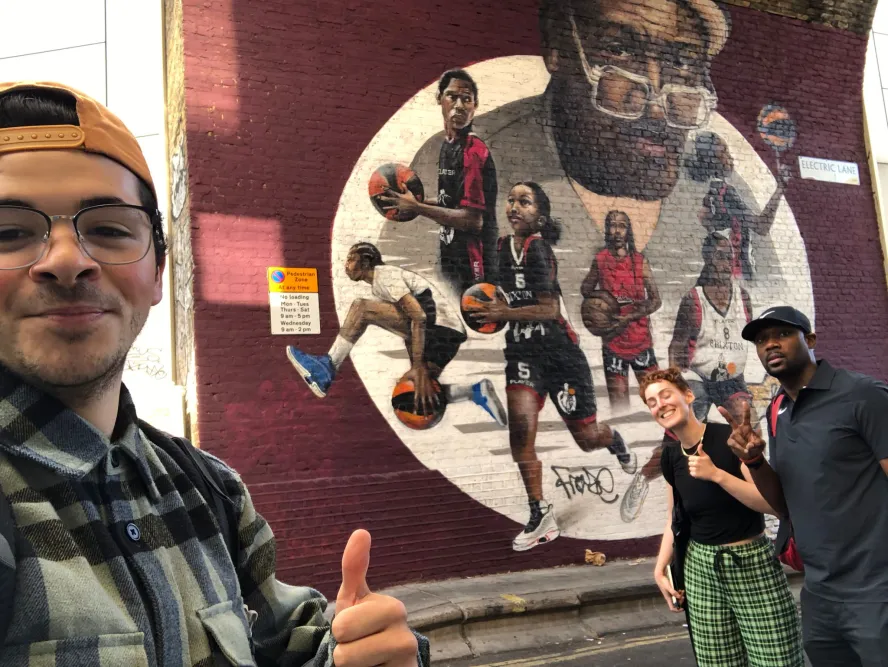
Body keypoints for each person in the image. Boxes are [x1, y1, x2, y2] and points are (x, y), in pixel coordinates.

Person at [0, 81, 429, 666]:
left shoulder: (211, 489)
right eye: (9, 232)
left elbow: (291, 643)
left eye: (107, 228)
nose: (68, 260)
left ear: (158, 272)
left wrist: (361, 653)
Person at [465, 182, 635, 551]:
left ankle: (615, 441)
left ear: (539, 216)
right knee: (521, 437)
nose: (513, 206)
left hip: (560, 358)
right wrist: (481, 307)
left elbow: (550, 309)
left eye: (524, 202)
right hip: (522, 356)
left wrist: (504, 312)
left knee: (587, 440)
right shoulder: (499, 249)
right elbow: (492, 295)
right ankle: (540, 513)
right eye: (510, 200)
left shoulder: (538, 250)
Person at [726, 306, 888, 665]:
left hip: (877, 590)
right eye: (761, 340)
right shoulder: (776, 410)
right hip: (819, 593)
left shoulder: (864, 395)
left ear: (810, 339)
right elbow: (784, 503)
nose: (770, 345)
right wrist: (753, 461)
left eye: (782, 334)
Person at [642, 368, 803, 667]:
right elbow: (673, 519)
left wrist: (716, 475)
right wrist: (659, 568)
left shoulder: (729, 439)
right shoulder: (670, 456)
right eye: (652, 402)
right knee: (718, 663)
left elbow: (770, 504)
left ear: (688, 395)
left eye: (666, 395)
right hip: (700, 570)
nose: (660, 404)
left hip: (751, 563)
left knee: (778, 660)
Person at [287, 242, 506, 425]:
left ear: (365, 261)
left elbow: (418, 316)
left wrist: (418, 365)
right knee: (413, 395)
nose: (345, 265)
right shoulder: (383, 282)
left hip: (438, 328)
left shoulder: (385, 275)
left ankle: (328, 366)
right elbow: (413, 323)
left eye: (350, 259)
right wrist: (418, 368)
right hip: (447, 335)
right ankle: (474, 392)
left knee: (362, 308)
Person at [621, 230, 755, 522]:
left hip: (731, 378)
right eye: (719, 256)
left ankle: (750, 492)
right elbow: (677, 348)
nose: (724, 262)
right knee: (676, 439)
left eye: (728, 256)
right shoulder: (693, 300)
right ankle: (643, 478)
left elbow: (749, 337)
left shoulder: (742, 297)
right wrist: (679, 390)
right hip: (697, 375)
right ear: (706, 257)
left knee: (746, 427)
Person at [379, 69, 498, 295]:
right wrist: (416, 202)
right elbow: (451, 202)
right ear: (439, 99)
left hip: (476, 265)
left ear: (475, 105)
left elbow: (473, 221)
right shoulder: (448, 146)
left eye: (467, 99)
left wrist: (417, 207)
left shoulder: (473, 151)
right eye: (453, 96)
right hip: (452, 253)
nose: (460, 105)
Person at [581, 210, 661, 410]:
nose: (616, 231)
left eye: (622, 226)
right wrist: (601, 306)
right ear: (607, 230)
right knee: (619, 406)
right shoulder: (600, 260)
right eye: (612, 225)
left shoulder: (639, 262)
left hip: (640, 341)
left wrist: (631, 316)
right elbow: (585, 290)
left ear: (628, 231)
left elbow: (656, 301)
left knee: (657, 401)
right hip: (612, 342)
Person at [687, 132, 788, 281]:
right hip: (738, 273)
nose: (731, 157)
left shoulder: (711, 193)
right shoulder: (726, 193)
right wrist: (780, 189)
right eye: (724, 152)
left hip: (721, 274)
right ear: (713, 161)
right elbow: (762, 227)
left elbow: (705, 219)